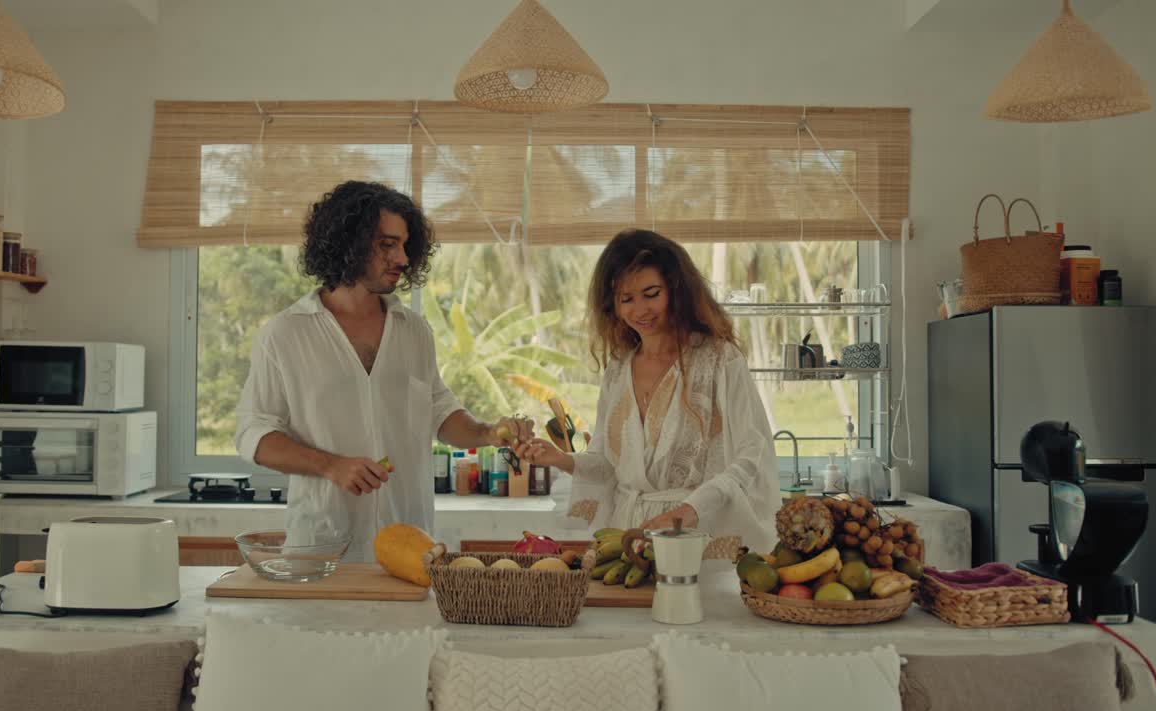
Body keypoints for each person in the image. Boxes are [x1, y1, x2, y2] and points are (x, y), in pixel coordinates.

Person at [235, 181, 533, 560]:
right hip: (321, 549)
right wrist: (331, 466)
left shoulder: (414, 331)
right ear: (348, 241)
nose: (403, 258)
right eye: (387, 245)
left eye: (406, 245)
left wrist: (488, 432)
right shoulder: (286, 334)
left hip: (410, 544)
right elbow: (253, 433)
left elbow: (439, 411)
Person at [519, 229, 779, 556]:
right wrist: (561, 459)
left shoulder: (719, 361)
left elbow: (751, 453)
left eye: (651, 293)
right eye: (626, 299)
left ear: (676, 289)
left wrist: (693, 508)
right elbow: (606, 463)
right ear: (612, 306)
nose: (640, 309)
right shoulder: (617, 370)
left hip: (696, 535)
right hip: (625, 536)